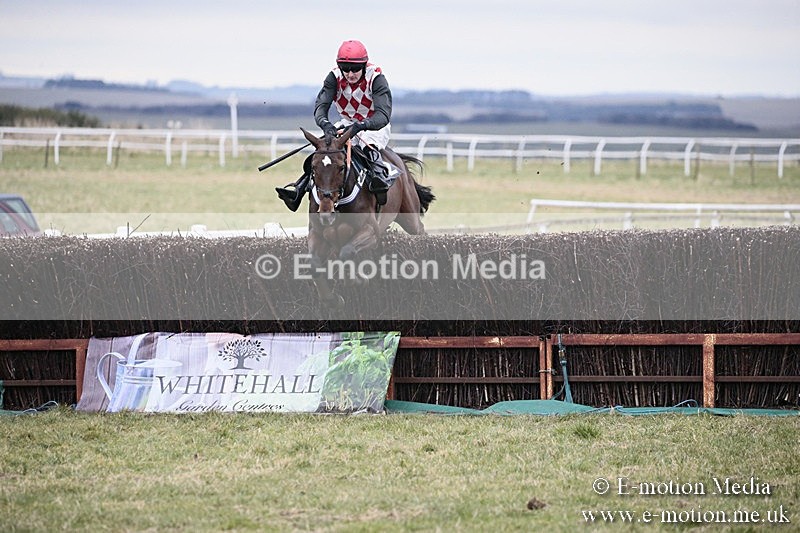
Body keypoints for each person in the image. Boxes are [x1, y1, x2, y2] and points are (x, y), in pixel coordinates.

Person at [276, 39, 395, 211]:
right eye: (345, 69)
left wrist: (361, 126)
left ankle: (380, 182)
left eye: (355, 69)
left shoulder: (376, 78)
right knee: (324, 151)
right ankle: (299, 189)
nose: (350, 74)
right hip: (346, 123)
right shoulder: (334, 77)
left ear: (364, 65)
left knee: (367, 150)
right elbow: (320, 108)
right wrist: (326, 125)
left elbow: (383, 115)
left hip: (373, 126)